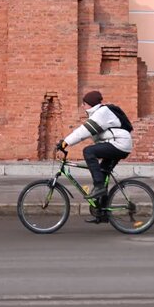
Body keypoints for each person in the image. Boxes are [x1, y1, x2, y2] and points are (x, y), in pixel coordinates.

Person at [58, 90, 132, 220]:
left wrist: (65, 142)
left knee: (89, 151)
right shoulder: (99, 113)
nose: (82, 106)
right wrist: (65, 142)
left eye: (84, 103)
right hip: (116, 144)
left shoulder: (102, 113)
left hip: (118, 144)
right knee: (103, 173)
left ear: (90, 104)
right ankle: (102, 212)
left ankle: (98, 187)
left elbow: (83, 131)